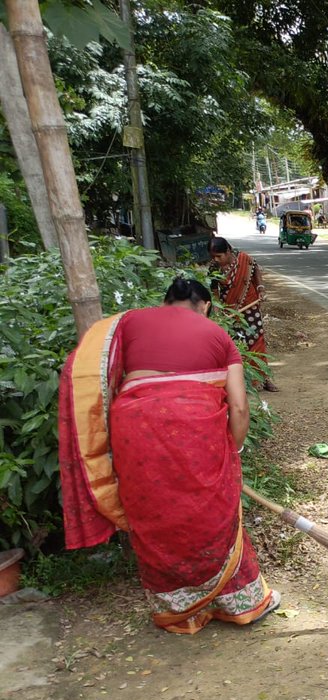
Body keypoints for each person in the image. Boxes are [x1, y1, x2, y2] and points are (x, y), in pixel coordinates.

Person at [58, 277, 276, 634]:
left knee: (155, 513)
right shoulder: (218, 337)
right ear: (205, 306)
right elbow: (238, 408)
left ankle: (177, 611)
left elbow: (95, 376)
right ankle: (239, 602)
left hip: (135, 428)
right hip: (196, 429)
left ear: (165, 302)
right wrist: (232, 450)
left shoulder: (126, 323)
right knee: (212, 516)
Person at [209, 236, 278, 392]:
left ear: (227, 251)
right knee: (237, 346)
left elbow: (255, 272)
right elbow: (215, 293)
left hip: (251, 307)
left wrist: (260, 288)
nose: (216, 259)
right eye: (213, 256)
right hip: (231, 312)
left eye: (219, 256)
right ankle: (244, 382)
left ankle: (264, 378)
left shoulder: (244, 259)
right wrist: (219, 311)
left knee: (257, 342)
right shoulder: (214, 268)